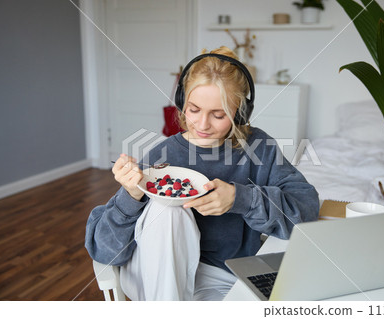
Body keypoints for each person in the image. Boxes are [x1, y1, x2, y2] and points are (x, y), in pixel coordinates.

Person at [85, 46, 319, 301]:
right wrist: (130, 196)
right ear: (182, 102)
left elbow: (305, 213)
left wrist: (241, 199)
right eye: (194, 110)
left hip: (220, 275)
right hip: (154, 273)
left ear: (241, 113)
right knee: (166, 210)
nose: (203, 125)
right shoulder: (161, 157)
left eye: (219, 115)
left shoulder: (259, 149)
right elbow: (103, 250)